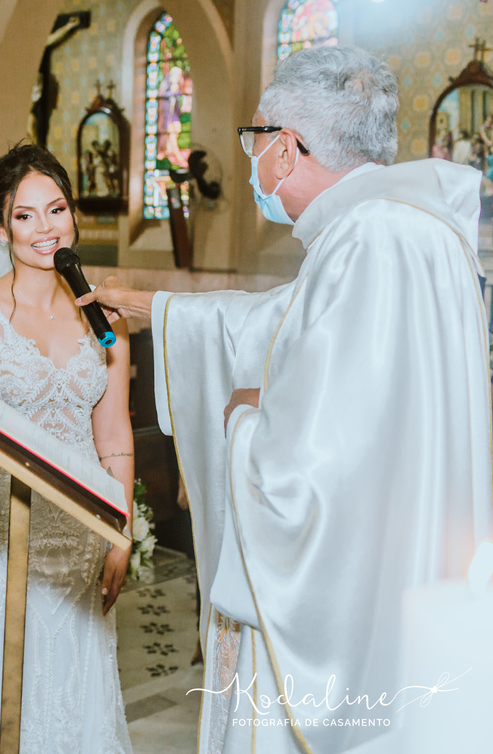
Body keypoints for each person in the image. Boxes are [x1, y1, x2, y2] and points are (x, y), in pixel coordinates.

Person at [85, 46, 493, 753]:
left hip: (343, 585)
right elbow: (291, 322)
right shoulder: (412, 230)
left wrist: (243, 418)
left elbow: (312, 464)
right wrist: (158, 307)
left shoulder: (369, 241)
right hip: (405, 563)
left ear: (285, 146)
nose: (250, 158)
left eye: (254, 136)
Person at [0, 144, 132, 754]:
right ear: (1, 229)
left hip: (80, 541)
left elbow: (114, 434)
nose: (45, 227)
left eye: (57, 209)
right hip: (1, 538)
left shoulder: (107, 319)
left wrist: (121, 528)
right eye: (25, 215)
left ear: (74, 218)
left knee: (73, 695)